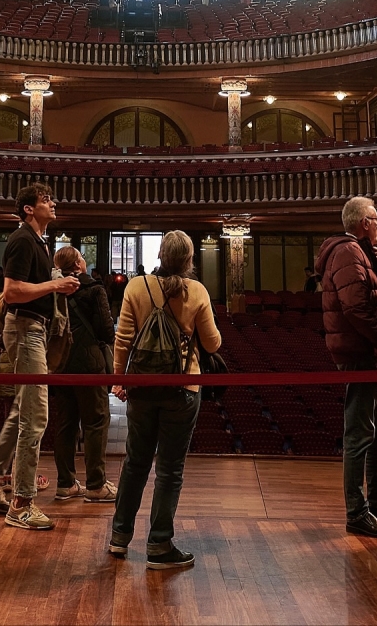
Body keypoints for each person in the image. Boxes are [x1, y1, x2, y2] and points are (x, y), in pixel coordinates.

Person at [0, 182, 79, 530]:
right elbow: (12, 292)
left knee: (21, 412)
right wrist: (55, 286)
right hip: (26, 328)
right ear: (29, 209)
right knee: (36, 415)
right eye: (46, 199)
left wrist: (56, 284)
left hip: (35, 328)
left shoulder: (39, 242)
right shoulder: (22, 240)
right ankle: (22, 502)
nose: (54, 202)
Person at [110, 231, 222, 569]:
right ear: (190, 259)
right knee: (170, 470)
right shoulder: (197, 290)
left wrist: (119, 379)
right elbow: (213, 344)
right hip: (182, 388)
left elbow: (123, 338)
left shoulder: (136, 286)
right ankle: (159, 544)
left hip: (142, 387)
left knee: (135, 463)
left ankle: (119, 537)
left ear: (160, 254)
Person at [316, 198, 377, 538]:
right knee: (360, 432)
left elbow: (372, 296)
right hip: (361, 350)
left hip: (367, 350)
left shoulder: (363, 254)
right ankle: (357, 509)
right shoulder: (349, 253)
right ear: (364, 222)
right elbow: (356, 307)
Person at [50, 245, 117, 503]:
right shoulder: (94, 290)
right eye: (81, 256)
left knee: (65, 424)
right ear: (78, 265)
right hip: (89, 365)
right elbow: (106, 332)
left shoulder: (53, 291)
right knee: (96, 422)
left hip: (62, 364)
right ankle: (96, 484)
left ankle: (65, 484)